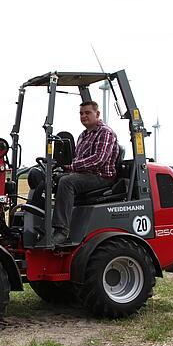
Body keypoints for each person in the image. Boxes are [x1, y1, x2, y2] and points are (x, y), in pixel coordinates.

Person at [50, 101, 119, 245]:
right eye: (81, 113)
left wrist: (71, 167)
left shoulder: (105, 132)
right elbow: (76, 159)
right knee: (51, 179)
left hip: (101, 177)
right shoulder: (83, 135)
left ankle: (62, 231)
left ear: (97, 114)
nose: (83, 116)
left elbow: (99, 159)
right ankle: (43, 225)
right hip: (85, 175)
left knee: (67, 182)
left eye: (87, 113)